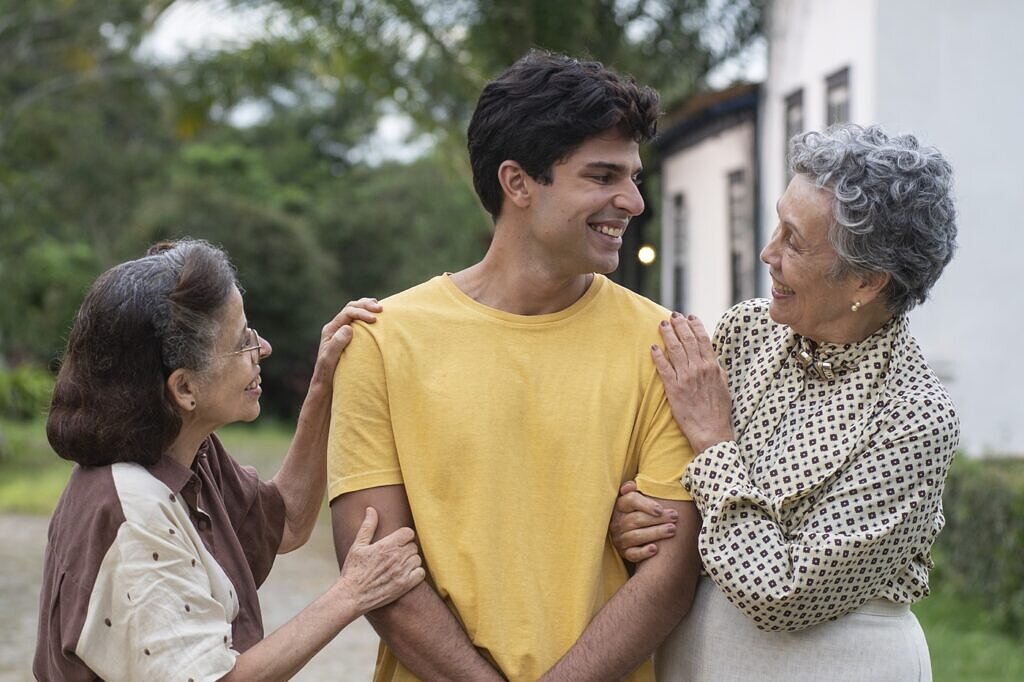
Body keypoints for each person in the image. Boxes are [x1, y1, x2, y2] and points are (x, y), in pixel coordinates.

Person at [327, 51, 702, 681]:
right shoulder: (383, 340)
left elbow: (670, 571)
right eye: (603, 176)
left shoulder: (667, 347)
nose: (633, 201)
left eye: (634, 177)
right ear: (518, 182)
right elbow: (374, 563)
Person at [612, 123, 958, 681]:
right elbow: (677, 502)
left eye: (794, 240)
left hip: (835, 664)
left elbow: (783, 593)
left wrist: (713, 441)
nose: (767, 251)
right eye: (778, 223)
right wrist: (639, 519)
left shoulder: (914, 416)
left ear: (867, 282)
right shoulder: (746, 331)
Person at [34, 239, 425, 681]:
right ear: (184, 389)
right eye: (242, 342)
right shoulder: (133, 512)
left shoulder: (186, 452)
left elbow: (289, 522)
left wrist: (323, 384)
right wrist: (352, 593)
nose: (264, 348)